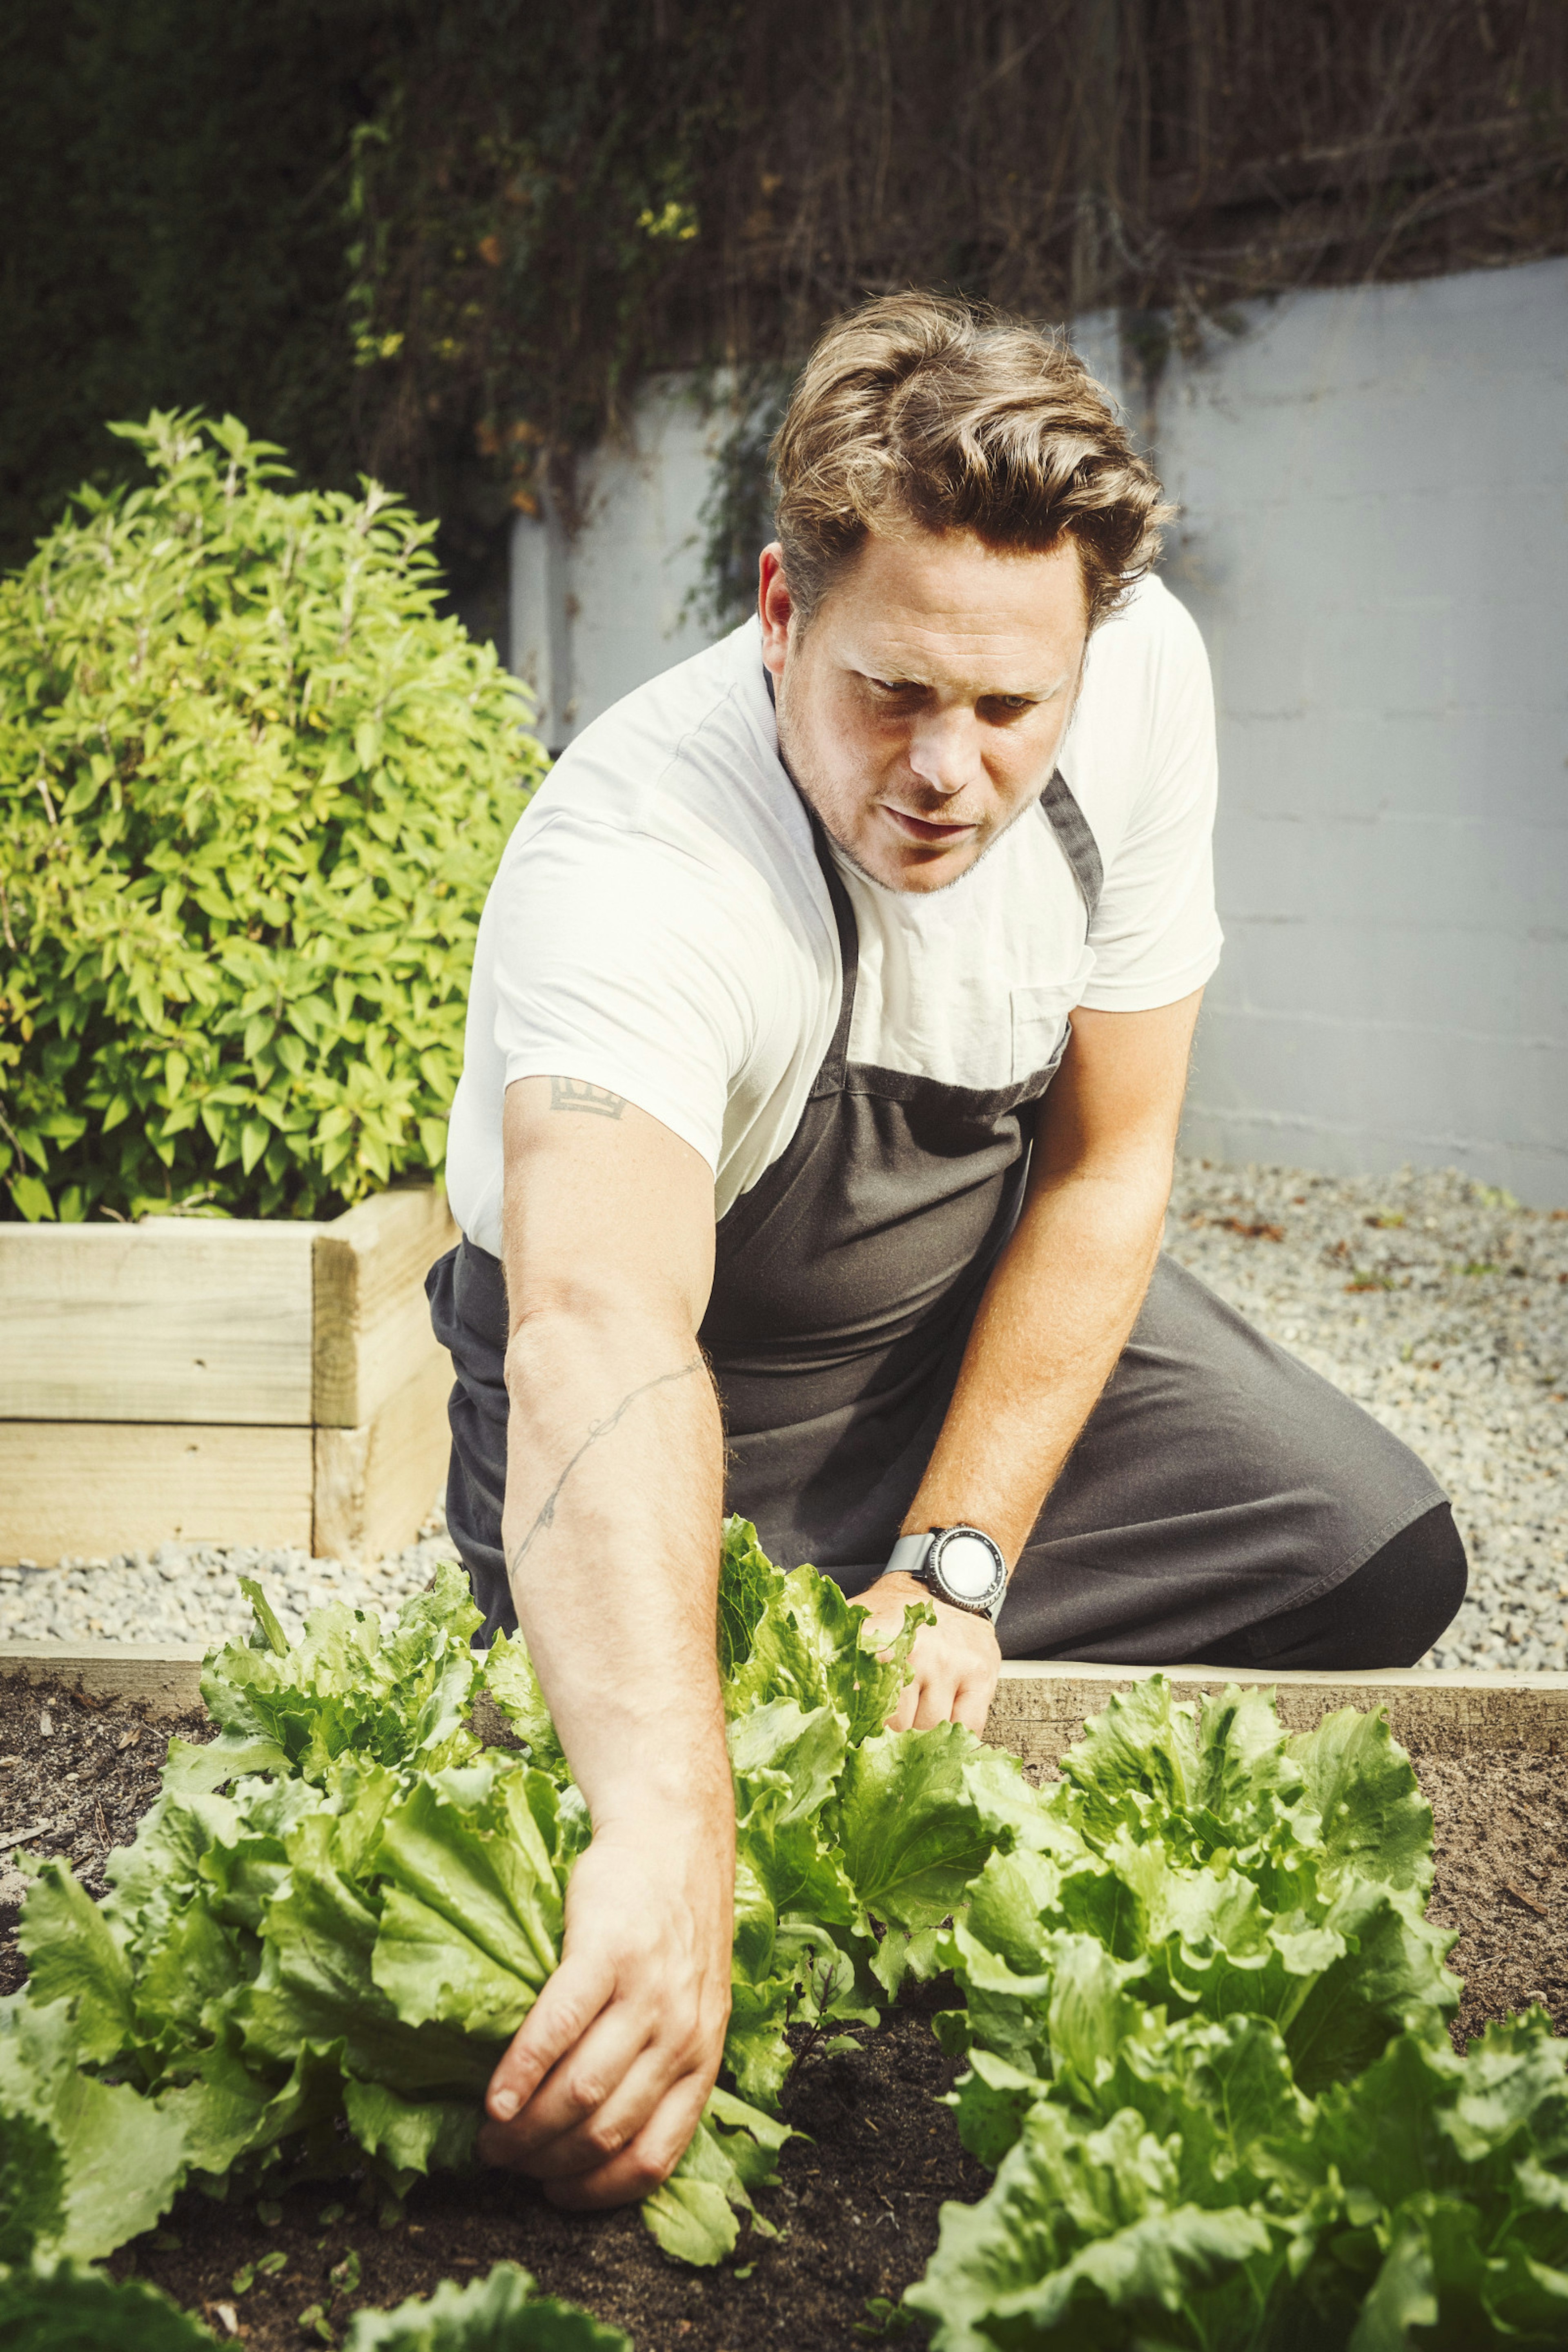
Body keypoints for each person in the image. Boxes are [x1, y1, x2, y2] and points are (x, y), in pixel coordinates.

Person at [429, 292, 1466, 2214]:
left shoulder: (1142, 675)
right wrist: (666, 1806)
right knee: (607, 1816)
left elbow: (1107, 1162)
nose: (948, 769)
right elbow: (596, 1325)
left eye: (1009, 710)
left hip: (946, 1334)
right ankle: (735, 1726)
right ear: (777, 608)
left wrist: (960, 1556)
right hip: (679, 1394)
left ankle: (852, 1683)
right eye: (892, 692)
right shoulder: (639, 867)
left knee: (1371, 1549)